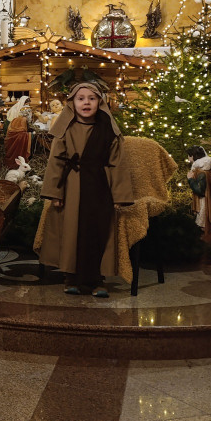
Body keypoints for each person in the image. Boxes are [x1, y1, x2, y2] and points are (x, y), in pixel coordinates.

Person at [37, 83, 134, 297]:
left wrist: (119, 195)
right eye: (81, 98)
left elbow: (118, 164)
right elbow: (56, 162)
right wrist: (55, 192)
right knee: (72, 231)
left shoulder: (108, 130)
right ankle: (70, 276)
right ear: (72, 103)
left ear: (100, 102)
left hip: (100, 185)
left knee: (100, 230)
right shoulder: (66, 128)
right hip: (72, 186)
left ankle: (98, 279)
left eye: (92, 98)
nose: (86, 102)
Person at [3, 96, 32, 170]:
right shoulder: (19, 111)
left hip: (15, 129)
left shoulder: (22, 113)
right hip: (14, 128)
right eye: (27, 103)